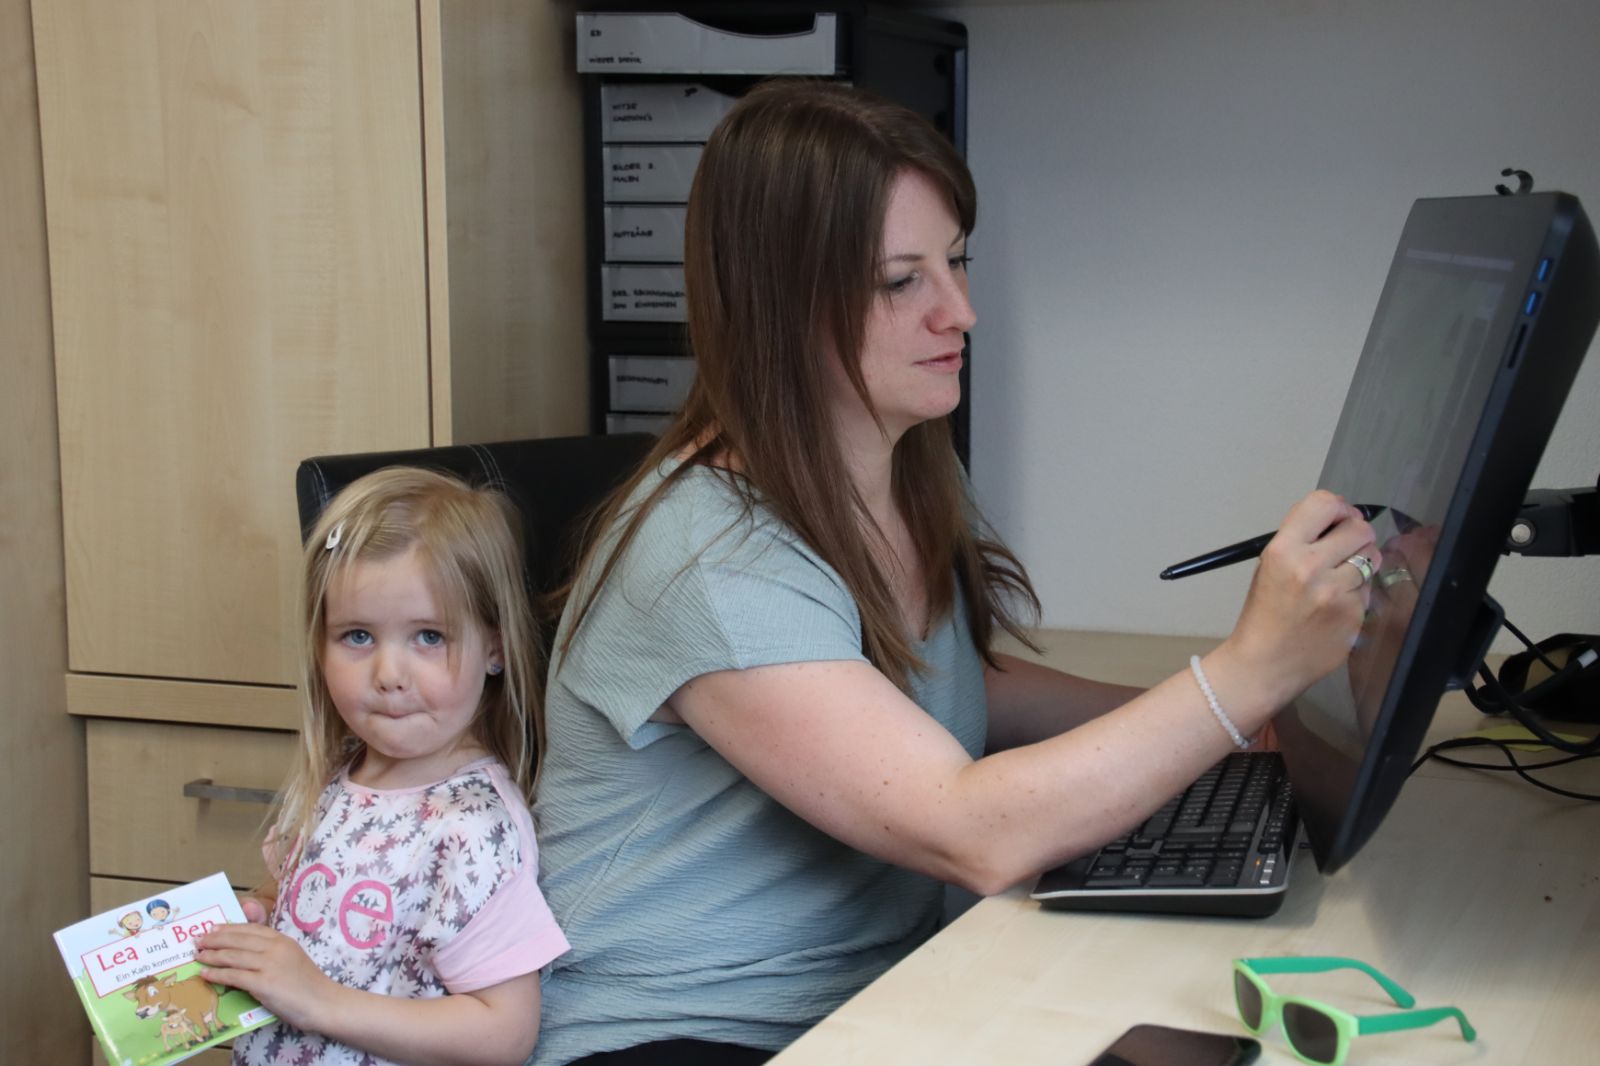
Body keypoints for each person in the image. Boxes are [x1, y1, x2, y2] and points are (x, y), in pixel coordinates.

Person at [531, 80, 1379, 1066]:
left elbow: (950, 684)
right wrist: (1240, 678)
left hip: (886, 994)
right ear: (779, 303)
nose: (962, 311)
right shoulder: (708, 560)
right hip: (684, 1041)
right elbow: (966, 829)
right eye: (903, 281)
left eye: (957, 262)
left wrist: (1225, 727)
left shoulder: (902, 463)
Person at [197, 467, 570, 1066]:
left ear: (495, 646)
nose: (389, 673)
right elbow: (300, 891)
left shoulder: (474, 829)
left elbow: (504, 1034)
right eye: (357, 636)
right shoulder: (337, 778)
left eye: (427, 636)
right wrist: (262, 913)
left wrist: (316, 998)